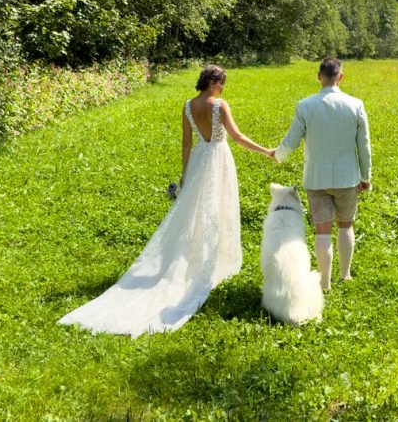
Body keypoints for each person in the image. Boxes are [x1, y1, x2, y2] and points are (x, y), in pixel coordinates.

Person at [59, 65, 275, 336]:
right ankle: (210, 260)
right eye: (222, 83)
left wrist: (186, 176)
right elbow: (238, 137)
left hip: (198, 160)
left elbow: (186, 145)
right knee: (215, 210)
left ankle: (200, 255)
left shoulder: (188, 106)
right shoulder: (219, 105)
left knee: (196, 211)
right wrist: (266, 151)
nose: (223, 88)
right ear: (214, 83)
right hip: (219, 159)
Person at [274, 58, 371, 290]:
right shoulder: (355, 104)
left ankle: (324, 283)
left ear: (319, 76)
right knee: (346, 226)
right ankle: (345, 275)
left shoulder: (305, 105)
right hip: (348, 178)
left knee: (322, 230)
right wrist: (366, 177)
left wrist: (278, 155)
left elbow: (292, 141)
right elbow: (364, 145)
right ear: (341, 77)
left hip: (316, 178)